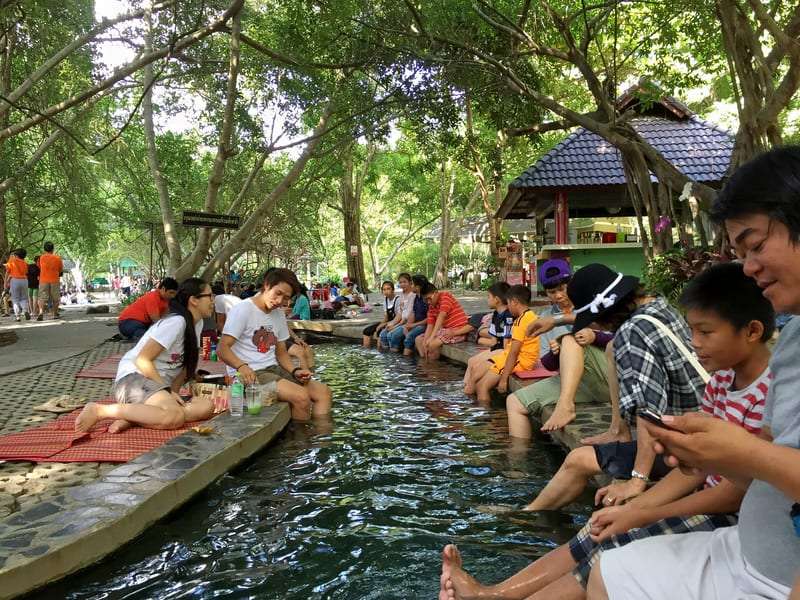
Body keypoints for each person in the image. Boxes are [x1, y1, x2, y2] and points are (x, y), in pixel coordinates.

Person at [440, 261, 774, 600]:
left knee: (606, 553)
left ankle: (498, 587)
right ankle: (495, 593)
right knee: (597, 530)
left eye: (705, 333)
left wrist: (640, 498)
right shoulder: (719, 379)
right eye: (694, 331)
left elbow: (726, 483)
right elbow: (698, 470)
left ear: (751, 331)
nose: (695, 343)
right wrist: (631, 510)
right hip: (699, 481)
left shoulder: (768, 396)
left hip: (734, 519)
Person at [588, 147, 800, 600]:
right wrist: (711, 453)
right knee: (610, 566)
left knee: (604, 549)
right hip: (745, 547)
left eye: (757, 245)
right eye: (741, 252)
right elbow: (763, 456)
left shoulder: (633, 335)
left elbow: (752, 464)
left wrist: (734, 453)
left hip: (770, 573)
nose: (749, 268)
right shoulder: (789, 343)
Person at [521, 263, 706, 512]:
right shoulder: (657, 306)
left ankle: (528, 515)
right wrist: (556, 320)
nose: (597, 326)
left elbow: (649, 414)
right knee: (610, 347)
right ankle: (618, 430)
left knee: (577, 460)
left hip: (687, 444)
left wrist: (637, 480)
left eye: (596, 320)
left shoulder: (632, 334)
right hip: (703, 423)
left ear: (608, 313)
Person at [74, 278, 216, 434]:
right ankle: (101, 410)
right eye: (210, 296)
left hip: (157, 387)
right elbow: (142, 360)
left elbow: (183, 369)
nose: (213, 301)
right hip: (134, 379)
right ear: (194, 300)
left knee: (206, 407)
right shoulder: (176, 323)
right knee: (174, 417)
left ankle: (136, 416)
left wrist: (172, 395)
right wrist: (168, 393)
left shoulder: (197, 324)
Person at [506, 259, 613, 436]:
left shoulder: (593, 306)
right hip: (578, 384)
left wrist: (593, 336)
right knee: (514, 402)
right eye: (552, 291)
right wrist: (556, 353)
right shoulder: (545, 317)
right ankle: (518, 461)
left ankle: (565, 406)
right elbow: (547, 364)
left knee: (570, 341)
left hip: (608, 376)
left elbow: (615, 335)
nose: (558, 296)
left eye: (562, 289)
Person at [217, 268, 332, 421]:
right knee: (301, 397)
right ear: (266, 285)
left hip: (273, 369)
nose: (280, 301)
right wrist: (241, 366)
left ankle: (320, 436)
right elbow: (222, 348)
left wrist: (295, 371)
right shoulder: (243, 310)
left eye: (286, 297)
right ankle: (301, 442)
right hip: (250, 374)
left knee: (323, 392)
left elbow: (281, 353)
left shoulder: (278, 314)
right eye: (278, 293)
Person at [469, 285, 540, 403]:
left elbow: (514, 352)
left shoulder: (522, 321)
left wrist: (503, 379)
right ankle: (471, 403)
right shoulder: (527, 316)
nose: (508, 307)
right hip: (509, 356)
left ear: (515, 302)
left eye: (508, 303)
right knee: (476, 374)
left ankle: (490, 418)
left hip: (521, 361)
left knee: (482, 386)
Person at [463, 282, 513, 395]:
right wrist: (489, 352)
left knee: (477, 367)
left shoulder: (508, 316)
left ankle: (468, 392)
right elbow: (494, 340)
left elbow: (506, 345)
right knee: (471, 361)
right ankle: (466, 387)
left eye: (488, 297)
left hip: (504, 350)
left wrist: (491, 357)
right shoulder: (496, 314)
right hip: (497, 348)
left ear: (497, 299)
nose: (487, 300)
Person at [416, 282, 472, 360]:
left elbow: (441, 316)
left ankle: (431, 367)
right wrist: (426, 340)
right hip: (444, 330)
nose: (428, 302)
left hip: (457, 329)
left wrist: (431, 338)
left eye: (429, 298)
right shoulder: (431, 306)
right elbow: (430, 325)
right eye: (425, 300)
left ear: (436, 293)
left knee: (432, 344)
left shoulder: (445, 296)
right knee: (419, 340)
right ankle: (426, 362)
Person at [380, 273, 415, 351]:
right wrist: (391, 323)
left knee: (392, 335)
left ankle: (394, 358)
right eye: (400, 282)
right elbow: (400, 313)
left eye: (404, 282)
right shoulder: (402, 295)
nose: (402, 284)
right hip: (402, 322)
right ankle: (386, 357)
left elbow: (409, 315)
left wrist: (395, 326)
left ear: (410, 282)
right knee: (383, 334)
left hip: (409, 322)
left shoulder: (413, 295)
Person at [362, 281, 399, 348]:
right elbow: (386, 317)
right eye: (384, 289)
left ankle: (380, 351)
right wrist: (380, 324)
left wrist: (383, 325)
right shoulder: (385, 300)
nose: (386, 291)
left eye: (388, 289)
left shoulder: (397, 300)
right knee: (367, 331)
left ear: (393, 290)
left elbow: (398, 317)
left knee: (379, 331)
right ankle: (366, 350)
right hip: (387, 322)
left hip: (395, 323)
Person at [401, 274, 429, 356]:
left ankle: (406, 362)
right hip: (417, 324)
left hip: (425, 325)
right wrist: (408, 325)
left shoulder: (426, 299)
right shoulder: (416, 297)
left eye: (412, 284)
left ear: (418, 287)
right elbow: (413, 312)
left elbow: (430, 319)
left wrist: (413, 325)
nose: (410, 285)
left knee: (409, 337)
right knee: (406, 333)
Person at [37, 241, 62, 320]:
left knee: (42, 297)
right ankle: (55, 314)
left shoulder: (41, 257)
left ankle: (41, 312)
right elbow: (60, 269)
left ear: (44, 249)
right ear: (53, 249)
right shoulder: (57, 258)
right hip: (54, 279)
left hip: (43, 279)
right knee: (55, 298)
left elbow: (39, 267)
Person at [4, 248, 30, 321]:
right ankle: (25, 311)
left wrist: (6, 283)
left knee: (15, 299)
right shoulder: (25, 263)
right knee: (24, 298)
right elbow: (25, 273)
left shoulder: (12, 261)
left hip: (15, 281)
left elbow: (8, 273)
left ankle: (18, 316)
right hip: (24, 281)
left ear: (17, 255)